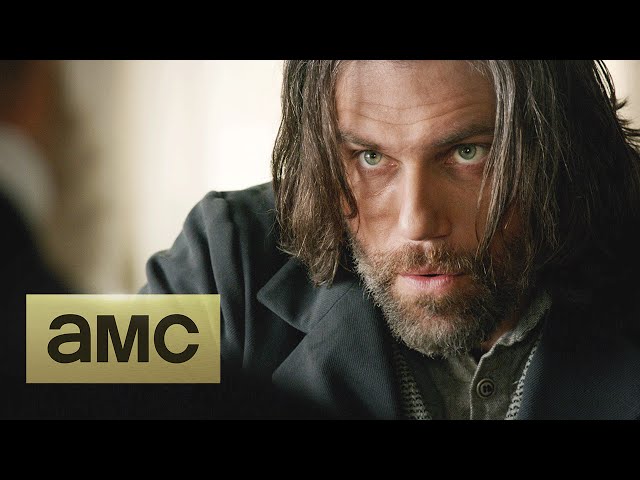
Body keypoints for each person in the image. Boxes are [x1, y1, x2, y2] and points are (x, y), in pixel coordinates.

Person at [140, 60, 640, 420]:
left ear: (559, 146)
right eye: (371, 158)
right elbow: (98, 376)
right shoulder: (227, 255)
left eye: (468, 153)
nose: (416, 223)